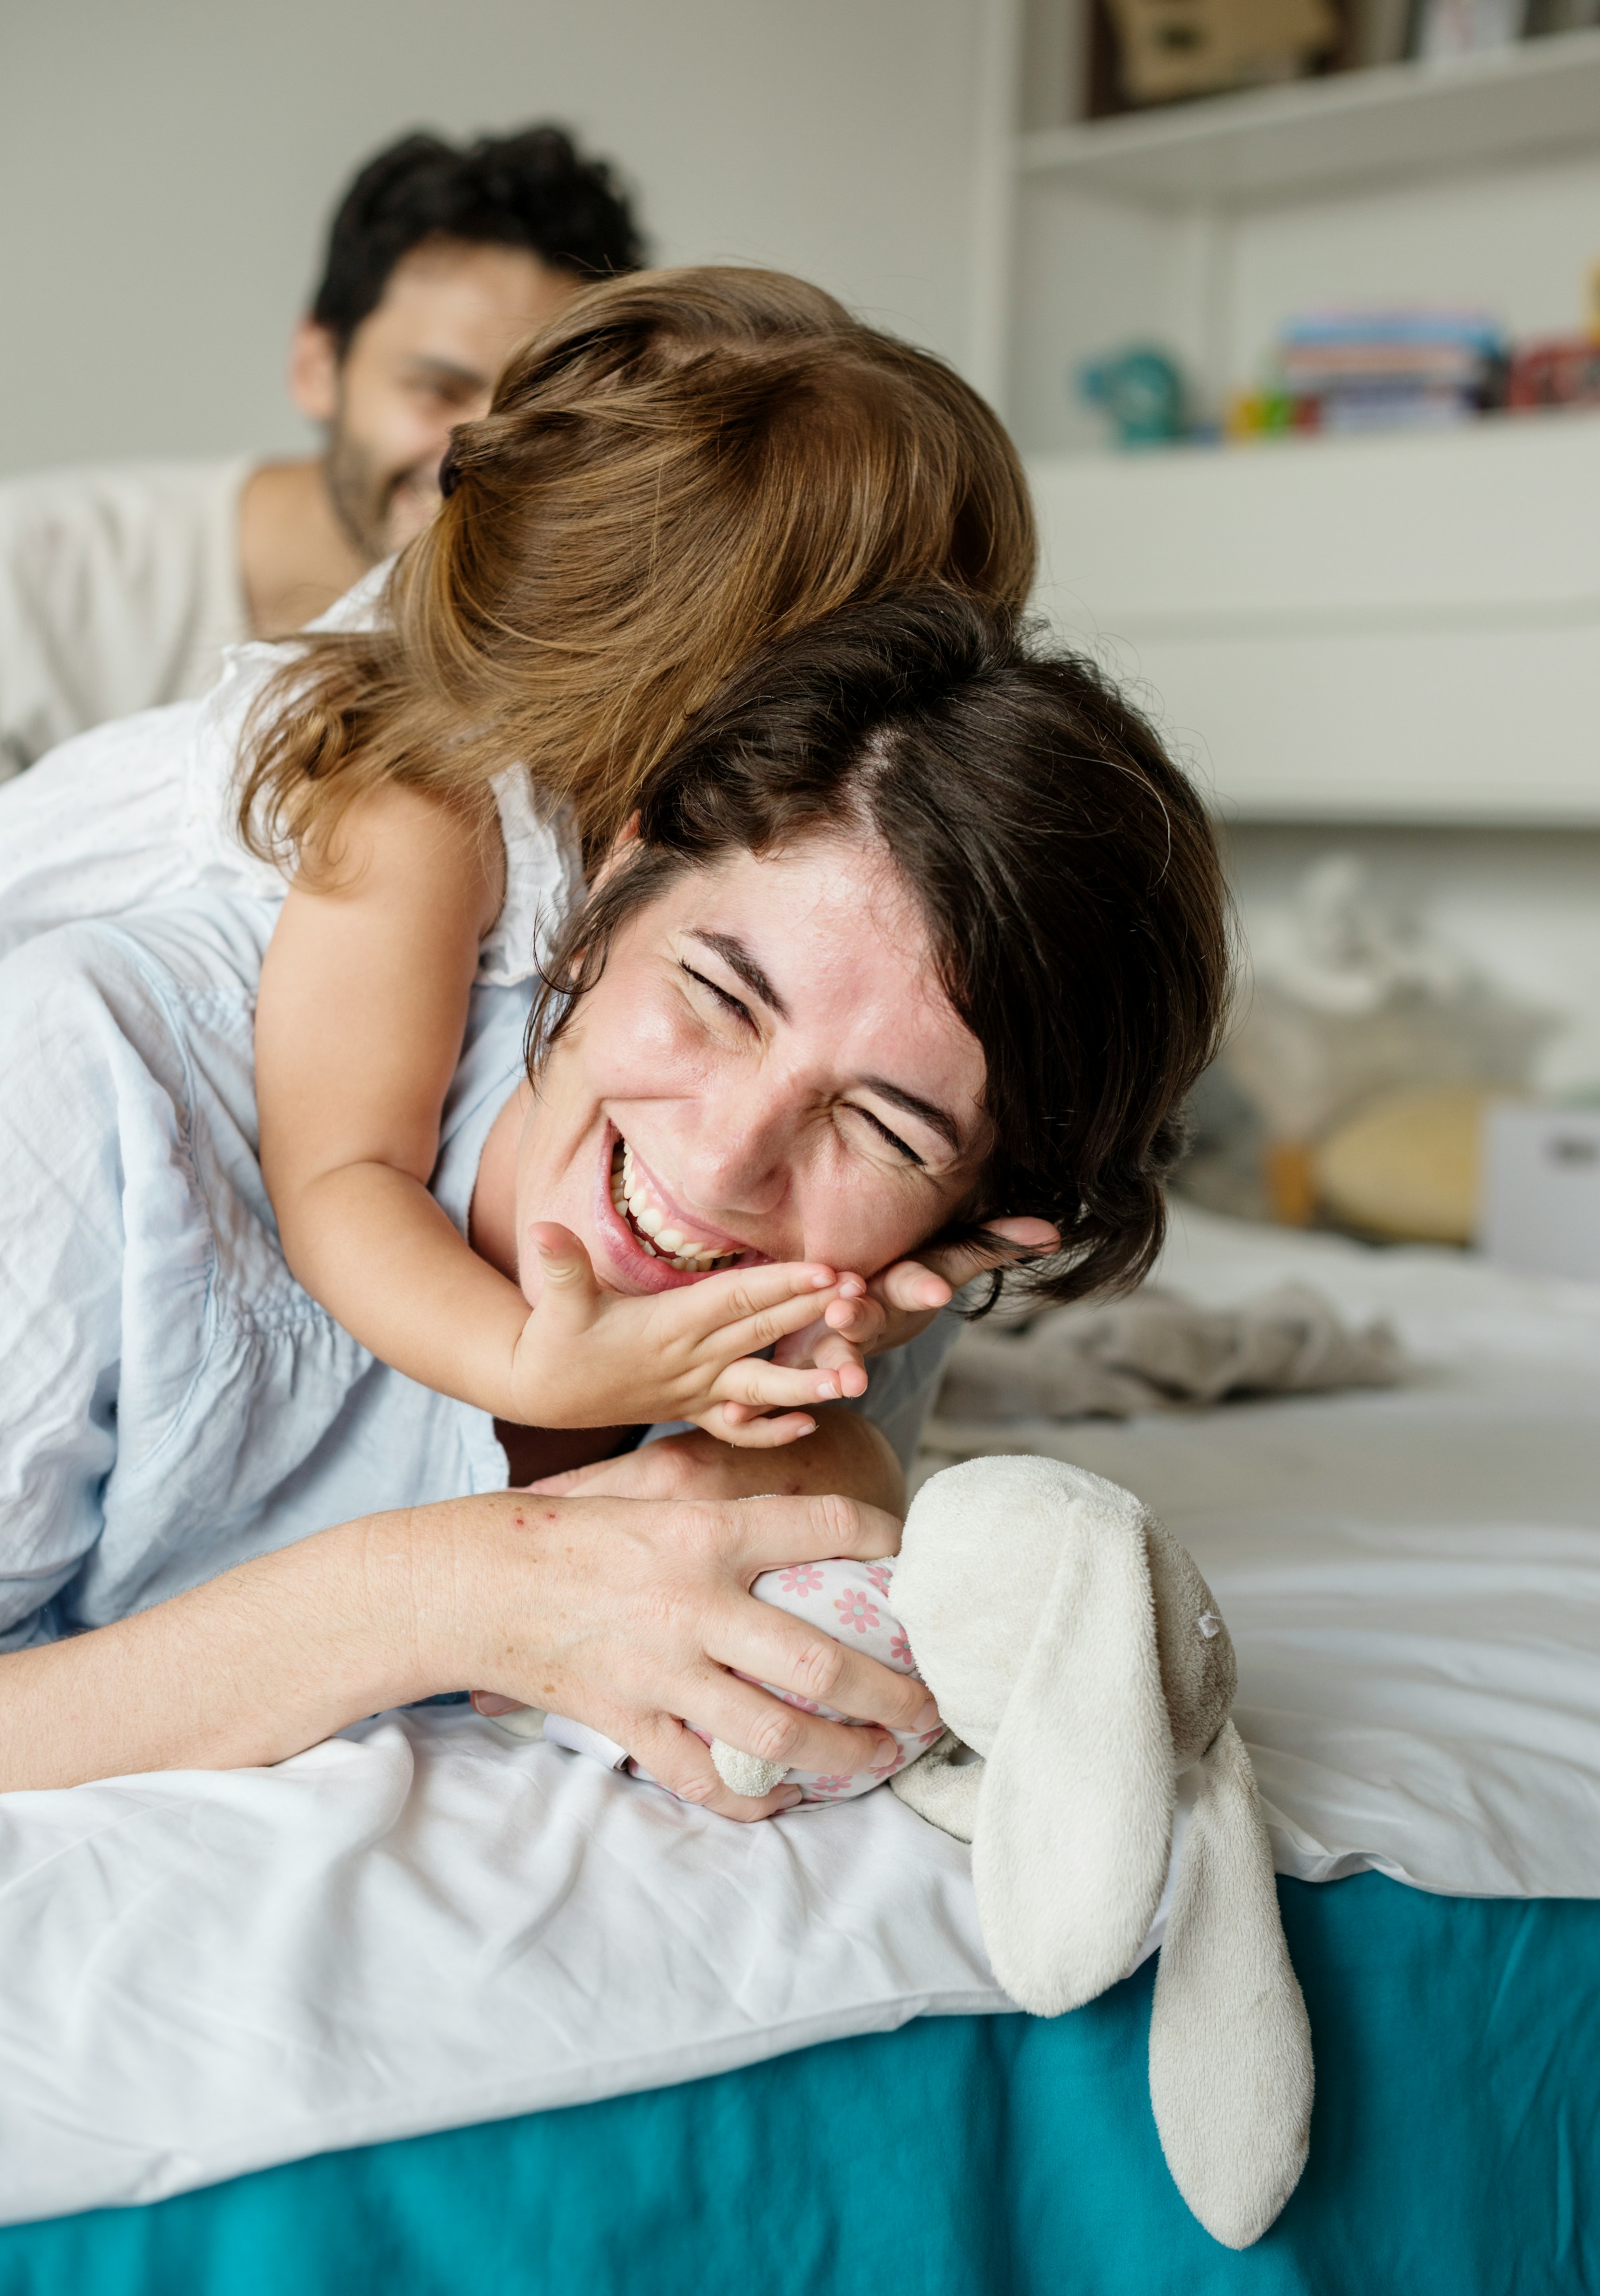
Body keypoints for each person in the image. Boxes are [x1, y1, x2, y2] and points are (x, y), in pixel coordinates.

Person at [0, 592, 1229, 1815]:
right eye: (718, 993)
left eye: (880, 1124)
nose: (729, 1160)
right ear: (610, 893)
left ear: (981, 1216)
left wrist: (829, 1458)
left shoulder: (865, 1298)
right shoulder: (85, 1073)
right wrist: (444, 1595)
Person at [0, 265, 1042, 1448]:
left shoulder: (654, 822)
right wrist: (533, 1365)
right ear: (718, 681)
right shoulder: (418, 800)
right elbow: (344, 1181)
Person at [0, 125, 643, 778]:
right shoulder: (33, 570)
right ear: (316, 367)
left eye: (536, 408)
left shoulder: (593, 659)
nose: (479, 449)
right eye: (437, 390)